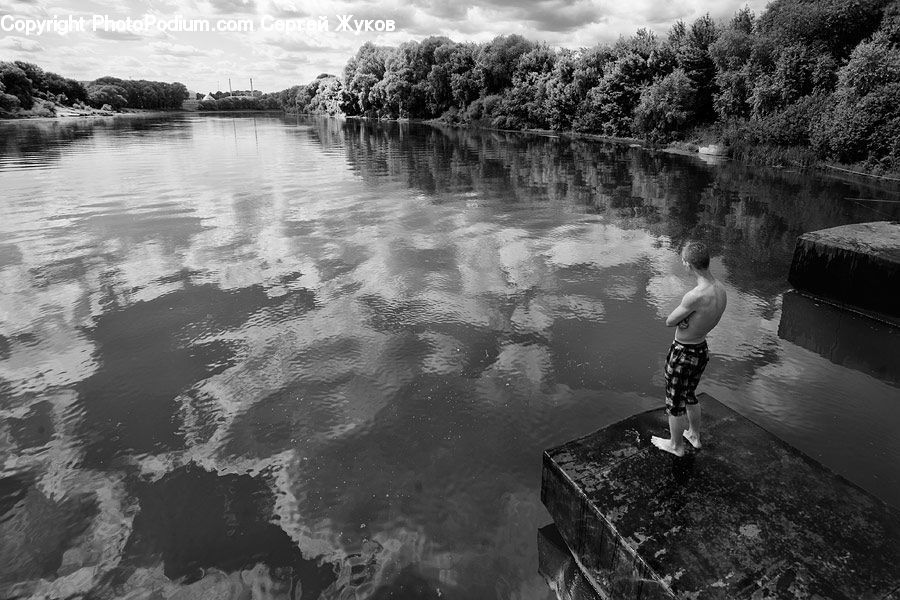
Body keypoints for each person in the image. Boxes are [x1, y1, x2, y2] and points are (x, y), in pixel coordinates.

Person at [651, 240, 727, 457]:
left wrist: (684, 320)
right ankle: (693, 434)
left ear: (687, 264)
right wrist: (692, 322)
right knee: (690, 394)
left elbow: (669, 321)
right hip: (701, 348)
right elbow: (709, 317)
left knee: (675, 401)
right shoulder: (721, 289)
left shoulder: (695, 295)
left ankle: (676, 446)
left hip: (684, 353)